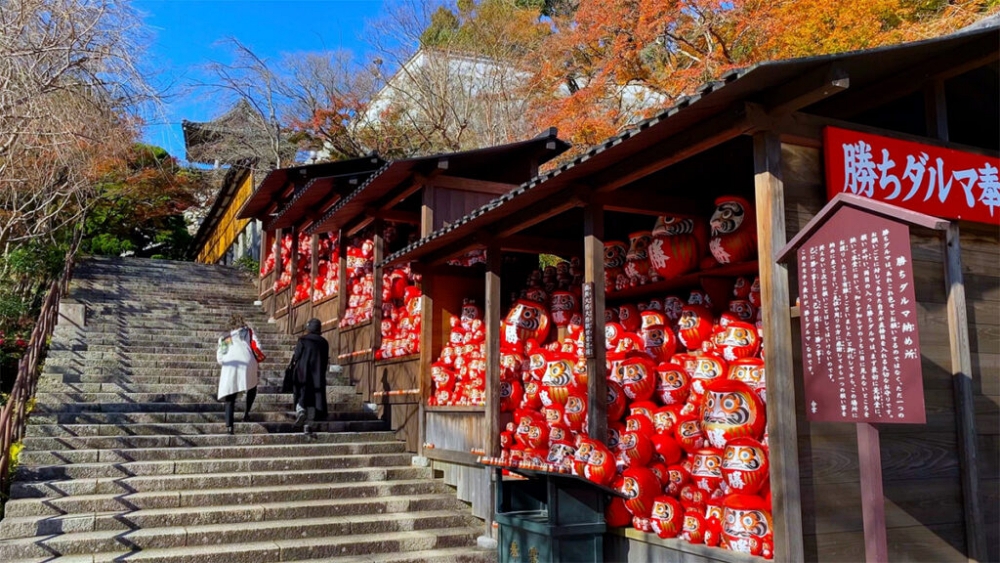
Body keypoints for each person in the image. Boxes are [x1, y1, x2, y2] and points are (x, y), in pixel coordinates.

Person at [216, 314, 260, 435]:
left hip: (232, 363)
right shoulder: (248, 333)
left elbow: (220, 356)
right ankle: (246, 413)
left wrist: (225, 362)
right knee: (252, 386)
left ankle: (229, 426)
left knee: (230, 395)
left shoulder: (227, 337)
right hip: (248, 361)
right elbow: (258, 347)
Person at [289, 318, 329, 433]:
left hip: (302, 373)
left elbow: (296, 356)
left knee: (302, 393)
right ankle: (309, 422)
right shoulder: (323, 342)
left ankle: (301, 411)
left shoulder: (303, 340)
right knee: (315, 397)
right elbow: (325, 360)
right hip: (318, 374)